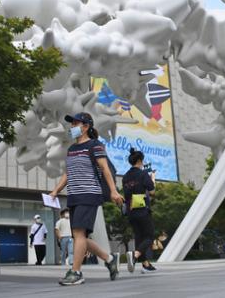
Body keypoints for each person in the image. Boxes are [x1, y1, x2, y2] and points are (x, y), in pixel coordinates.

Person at [49, 112, 124, 286]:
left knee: (79, 234)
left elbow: (105, 169)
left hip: (89, 194)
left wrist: (113, 191)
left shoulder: (94, 145)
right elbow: (68, 174)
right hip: (74, 196)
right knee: (79, 237)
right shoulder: (72, 149)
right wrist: (55, 190)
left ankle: (76, 272)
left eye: (76, 123)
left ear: (86, 127)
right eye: (72, 124)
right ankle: (109, 258)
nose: (72, 127)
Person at [123, 147, 157, 274]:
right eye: (142, 160)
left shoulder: (125, 176)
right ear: (139, 160)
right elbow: (152, 192)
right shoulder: (143, 174)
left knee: (139, 237)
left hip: (131, 211)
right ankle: (135, 255)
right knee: (149, 236)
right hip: (142, 209)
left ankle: (145, 264)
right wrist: (152, 178)